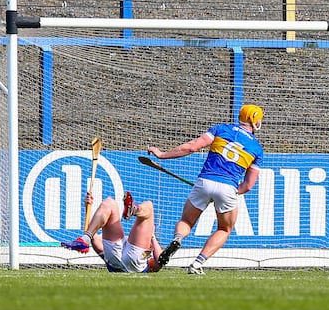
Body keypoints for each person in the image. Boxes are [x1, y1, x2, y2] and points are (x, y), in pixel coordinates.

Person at [149, 104, 265, 274]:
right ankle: (197, 263)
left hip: (204, 181)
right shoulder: (257, 149)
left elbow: (192, 147)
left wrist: (162, 154)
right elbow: (248, 185)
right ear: (254, 120)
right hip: (228, 187)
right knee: (224, 229)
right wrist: (234, 191)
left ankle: (178, 238)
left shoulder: (220, 129)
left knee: (187, 221)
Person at [60, 190, 162, 273]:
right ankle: (134, 209)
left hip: (114, 260)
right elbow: (160, 262)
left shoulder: (147, 254)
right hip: (133, 261)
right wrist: (152, 237)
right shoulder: (147, 248)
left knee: (109, 203)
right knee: (147, 206)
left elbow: (95, 239)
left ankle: (85, 238)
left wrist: (88, 209)